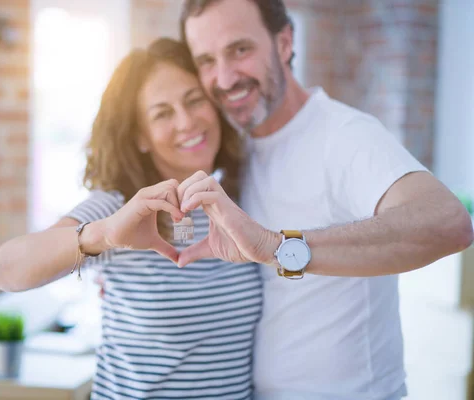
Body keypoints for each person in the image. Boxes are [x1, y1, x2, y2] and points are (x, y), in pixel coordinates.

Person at [175, 0, 474, 399]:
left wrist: (278, 247)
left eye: (240, 50)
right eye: (207, 60)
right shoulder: (235, 154)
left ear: (284, 43)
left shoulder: (346, 135)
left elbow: (448, 223)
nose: (225, 78)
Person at [0, 38, 262, 400]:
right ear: (140, 137)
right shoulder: (120, 208)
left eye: (195, 100)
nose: (187, 121)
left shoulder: (241, 197)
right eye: (162, 113)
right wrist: (103, 236)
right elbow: (2, 270)